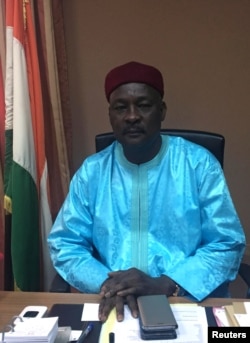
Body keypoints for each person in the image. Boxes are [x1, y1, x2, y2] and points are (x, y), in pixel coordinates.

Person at [48, 61, 246, 322]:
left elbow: (226, 243)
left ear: (162, 110)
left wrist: (166, 283)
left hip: (185, 299)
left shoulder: (198, 165)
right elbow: (65, 243)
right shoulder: (92, 172)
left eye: (143, 105)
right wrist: (108, 285)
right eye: (121, 107)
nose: (132, 116)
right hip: (114, 304)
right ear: (110, 115)